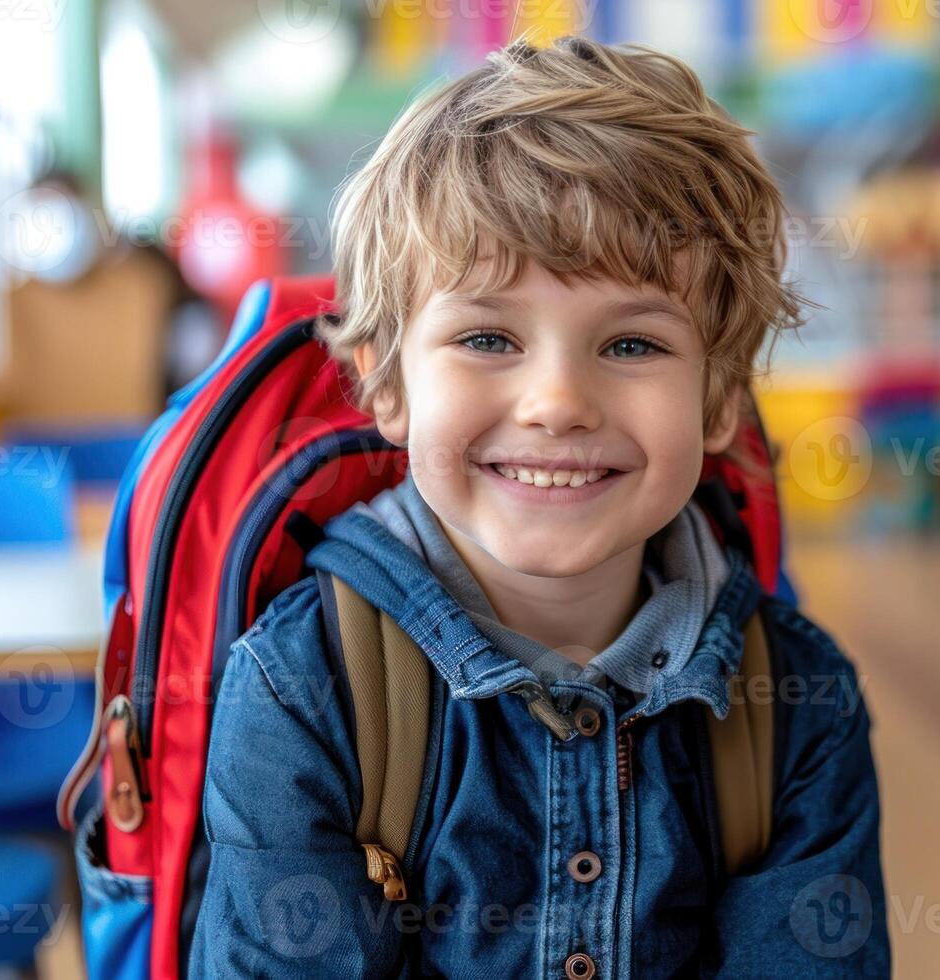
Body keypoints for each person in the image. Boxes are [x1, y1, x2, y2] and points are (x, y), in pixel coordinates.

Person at [189, 36, 889, 977]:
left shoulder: (798, 703)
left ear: (721, 398)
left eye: (632, 345)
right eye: (487, 335)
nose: (557, 402)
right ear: (385, 385)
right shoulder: (302, 688)